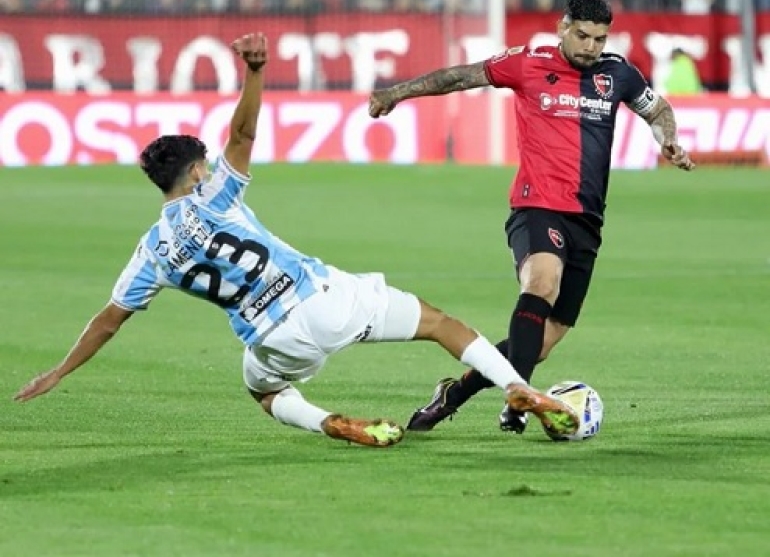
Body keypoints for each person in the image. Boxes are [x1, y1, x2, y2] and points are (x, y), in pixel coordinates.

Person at [13, 32, 580, 447]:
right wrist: (255, 70)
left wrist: (59, 371)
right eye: (205, 165)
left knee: (263, 392)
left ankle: (332, 423)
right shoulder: (215, 196)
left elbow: (109, 319)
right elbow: (243, 132)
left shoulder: (150, 253)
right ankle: (517, 386)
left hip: (273, 342)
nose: (211, 169)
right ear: (192, 175)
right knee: (440, 325)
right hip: (322, 298)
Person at [368, 0, 694, 435]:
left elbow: (656, 109)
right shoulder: (528, 63)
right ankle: (517, 399)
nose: (590, 47)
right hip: (536, 205)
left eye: (599, 39)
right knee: (542, 282)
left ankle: (455, 393)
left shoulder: (617, 74)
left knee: (543, 341)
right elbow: (460, 77)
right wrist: (397, 93)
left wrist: (667, 139)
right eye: (582, 35)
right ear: (563, 26)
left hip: (588, 219)